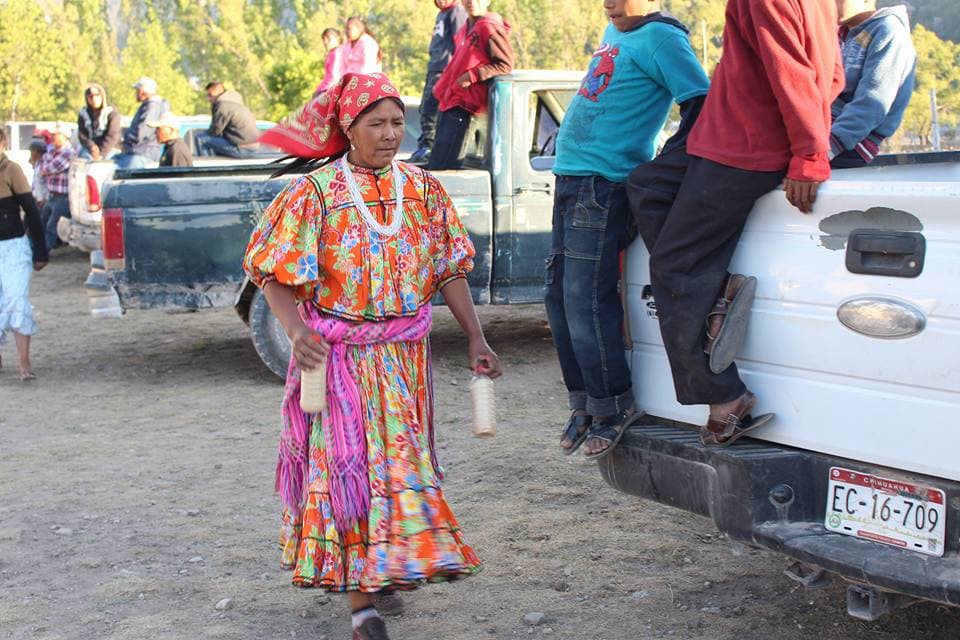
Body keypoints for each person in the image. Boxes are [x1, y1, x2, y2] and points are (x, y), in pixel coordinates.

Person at [245, 72, 501, 640]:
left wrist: (477, 338)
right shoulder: (314, 195)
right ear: (347, 127)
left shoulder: (423, 190)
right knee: (354, 471)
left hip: (405, 361)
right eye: (375, 123)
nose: (390, 134)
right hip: (340, 365)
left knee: (398, 467)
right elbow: (270, 272)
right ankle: (363, 610)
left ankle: (378, 568)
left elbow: (449, 269)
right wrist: (293, 329)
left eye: (396, 123)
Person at [626, 0, 843, 446]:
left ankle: (725, 396)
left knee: (673, 267)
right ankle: (716, 289)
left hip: (747, 145)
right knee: (646, 183)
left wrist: (808, 155)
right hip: (721, 133)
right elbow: (833, 72)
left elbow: (791, 72)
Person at [548, 0, 710, 460]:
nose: (609, 3)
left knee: (585, 300)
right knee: (557, 298)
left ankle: (613, 405)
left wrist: (664, 166)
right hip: (570, 176)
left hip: (604, 183)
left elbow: (699, 103)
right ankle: (583, 400)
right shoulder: (616, 30)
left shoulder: (663, 38)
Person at [428, 0, 514, 170]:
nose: (471, 2)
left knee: (445, 169)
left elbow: (505, 65)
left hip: (465, 105)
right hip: (451, 99)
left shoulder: (489, 26)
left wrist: (473, 75)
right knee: (437, 163)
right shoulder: (467, 26)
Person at [830, 0, 916, 168]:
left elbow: (873, 101)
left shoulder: (888, 30)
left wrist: (826, 149)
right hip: (828, 127)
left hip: (855, 140)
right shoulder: (841, 34)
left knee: (775, 163)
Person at [0, 127, 48, 381]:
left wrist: (41, 251)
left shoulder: (11, 170)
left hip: (12, 246)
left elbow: (31, 211)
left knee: (17, 299)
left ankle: (24, 364)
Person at [407, 0, 468, 164]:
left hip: (445, 69)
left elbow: (461, 43)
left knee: (432, 108)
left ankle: (430, 147)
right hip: (434, 66)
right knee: (425, 108)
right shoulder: (442, 13)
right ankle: (424, 145)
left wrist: (456, 71)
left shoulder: (457, 12)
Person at [114, 77, 169, 169]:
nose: (136, 93)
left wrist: (126, 140)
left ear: (143, 92)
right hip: (139, 153)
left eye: (137, 90)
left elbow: (142, 132)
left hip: (142, 154)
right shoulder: (148, 106)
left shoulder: (152, 107)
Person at [195, 81, 260, 158]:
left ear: (218, 92)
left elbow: (215, 131)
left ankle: (205, 168)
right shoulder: (236, 101)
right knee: (216, 141)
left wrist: (205, 132)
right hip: (254, 147)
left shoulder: (222, 106)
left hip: (242, 149)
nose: (208, 98)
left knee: (200, 138)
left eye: (210, 95)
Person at [36, 123, 75, 252]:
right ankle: (39, 249)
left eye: (56, 134)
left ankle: (43, 251)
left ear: (64, 136)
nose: (53, 136)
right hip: (52, 196)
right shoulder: (51, 152)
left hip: (62, 197)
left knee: (52, 226)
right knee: (42, 223)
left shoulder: (69, 153)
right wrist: (47, 169)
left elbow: (50, 167)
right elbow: (43, 167)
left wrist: (47, 169)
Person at [76, 83, 122, 161]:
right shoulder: (83, 113)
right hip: (90, 149)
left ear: (102, 96)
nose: (94, 99)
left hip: (110, 148)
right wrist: (91, 146)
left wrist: (101, 153)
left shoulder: (111, 112)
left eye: (97, 95)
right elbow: (82, 134)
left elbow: (113, 135)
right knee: (81, 160)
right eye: (90, 96)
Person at [316, 28, 345, 94]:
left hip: (329, 89)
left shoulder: (336, 53)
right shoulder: (332, 53)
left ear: (337, 38)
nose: (325, 42)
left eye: (328, 38)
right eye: (323, 39)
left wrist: (320, 89)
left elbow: (334, 76)